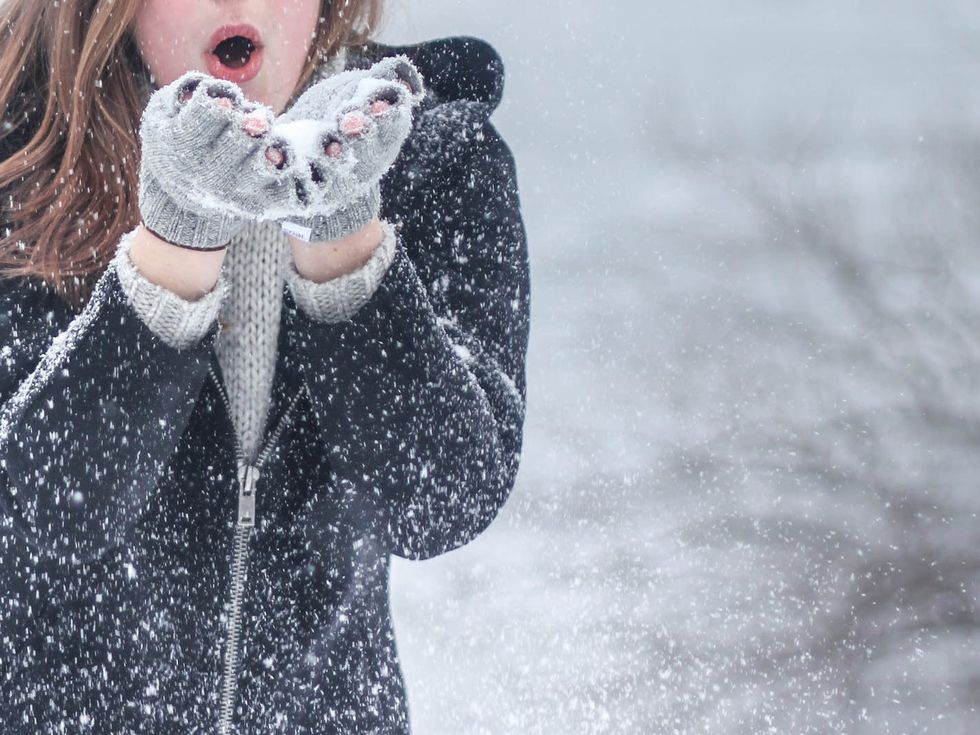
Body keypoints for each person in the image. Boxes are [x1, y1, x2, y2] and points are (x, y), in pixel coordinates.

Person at [0, 0, 530, 732]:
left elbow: (441, 501)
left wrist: (344, 240)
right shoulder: (19, 164)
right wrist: (175, 246)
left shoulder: (436, 158)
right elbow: (42, 513)